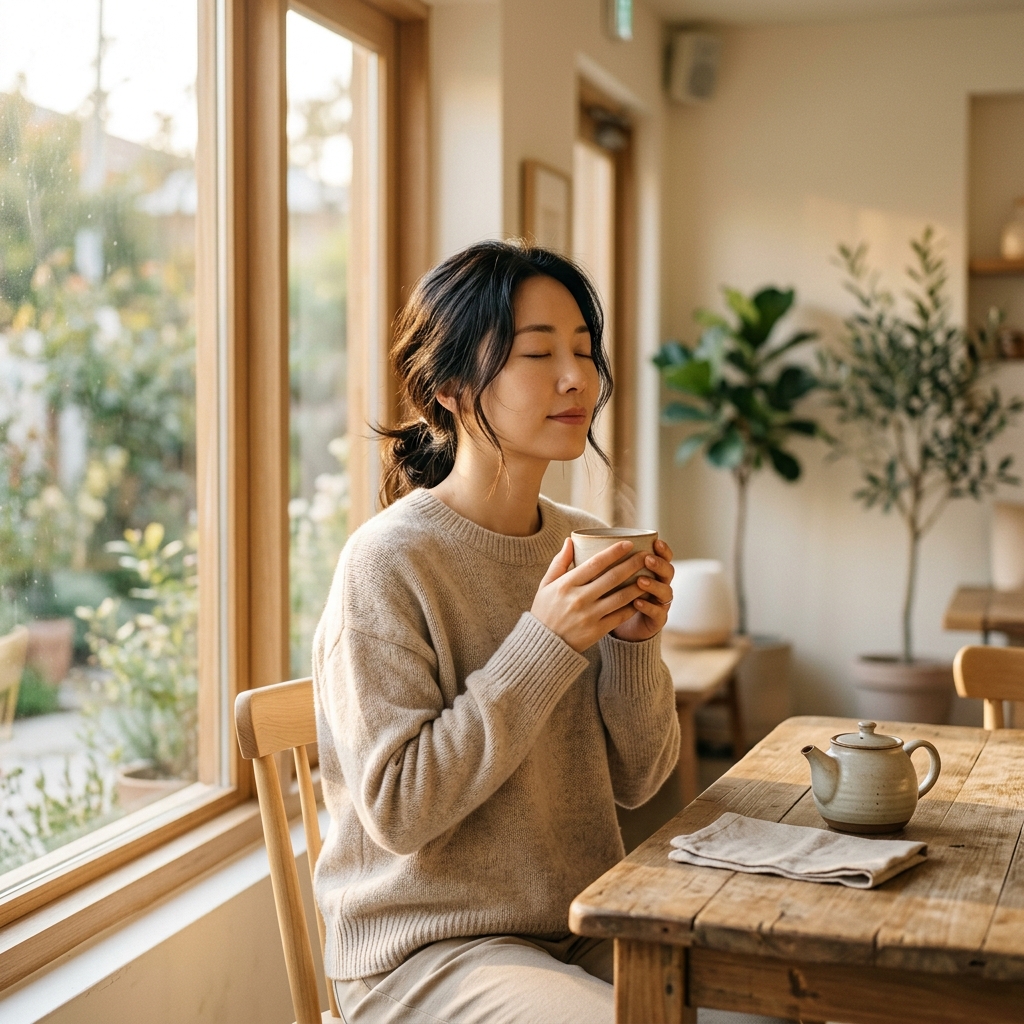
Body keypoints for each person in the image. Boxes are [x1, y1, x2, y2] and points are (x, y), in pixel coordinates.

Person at [312, 239, 680, 1024]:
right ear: (448, 387)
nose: (577, 377)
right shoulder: (387, 562)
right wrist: (545, 644)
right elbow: (400, 811)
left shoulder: (585, 542)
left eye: (583, 350)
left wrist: (636, 647)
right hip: (427, 952)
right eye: (538, 353)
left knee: (779, 995)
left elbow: (641, 780)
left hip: (582, 926)